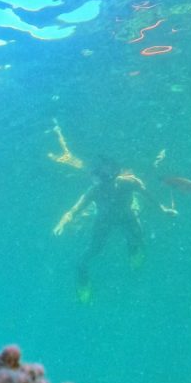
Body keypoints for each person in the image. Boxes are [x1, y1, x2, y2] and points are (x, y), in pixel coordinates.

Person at [48, 120, 154, 303]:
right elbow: (74, 210)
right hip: (106, 220)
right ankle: (83, 274)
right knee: (93, 251)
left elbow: (146, 193)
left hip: (121, 216)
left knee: (136, 238)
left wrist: (162, 208)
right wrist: (62, 223)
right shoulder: (95, 191)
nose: (102, 179)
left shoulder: (128, 182)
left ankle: (132, 249)